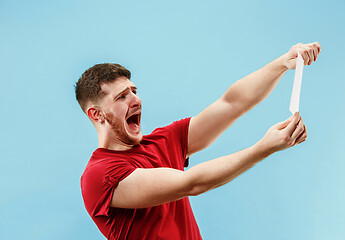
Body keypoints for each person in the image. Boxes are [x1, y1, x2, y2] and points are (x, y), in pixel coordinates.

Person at [75, 42, 321, 240]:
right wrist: (263, 148)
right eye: (121, 97)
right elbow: (191, 183)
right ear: (96, 114)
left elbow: (232, 103)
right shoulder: (100, 175)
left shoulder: (163, 141)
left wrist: (282, 63)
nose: (135, 100)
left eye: (134, 91)